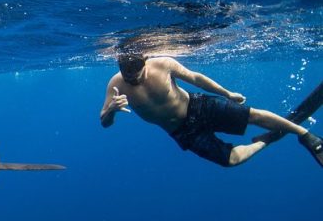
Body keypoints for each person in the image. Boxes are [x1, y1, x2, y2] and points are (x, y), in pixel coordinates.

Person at [100, 53, 323, 167]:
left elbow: (196, 78)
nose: (132, 80)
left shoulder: (163, 64)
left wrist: (227, 93)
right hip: (181, 131)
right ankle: (265, 141)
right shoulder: (116, 84)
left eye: (136, 75)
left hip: (198, 106)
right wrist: (111, 110)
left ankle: (307, 136)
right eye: (128, 76)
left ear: (145, 62)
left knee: (253, 115)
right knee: (231, 161)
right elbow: (104, 122)